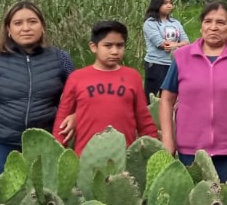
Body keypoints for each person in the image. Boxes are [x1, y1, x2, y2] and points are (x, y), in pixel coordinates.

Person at [0, 1, 75, 178]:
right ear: (8, 29)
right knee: (1, 202)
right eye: (18, 23)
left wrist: (75, 116)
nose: (26, 28)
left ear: (42, 26)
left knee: (41, 202)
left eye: (32, 21)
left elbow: (79, 95)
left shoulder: (60, 58)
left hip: (44, 142)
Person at [160, 2, 227, 181]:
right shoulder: (182, 57)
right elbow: (167, 100)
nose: (213, 27)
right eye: (208, 21)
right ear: (201, 26)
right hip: (191, 149)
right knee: (196, 204)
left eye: (220, 22)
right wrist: (168, 139)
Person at [53, 21, 158, 155]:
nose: (114, 51)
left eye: (119, 45)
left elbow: (144, 121)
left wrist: (155, 151)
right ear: (93, 47)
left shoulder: (133, 77)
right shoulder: (77, 78)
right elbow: (62, 121)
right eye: (108, 46)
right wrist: (57, 153)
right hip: (86, 159)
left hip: (124, 158)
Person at [142, 0, 190, 100]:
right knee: (153, 97)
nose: (169, 5)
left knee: (171, 95)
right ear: (157, 5)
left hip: (174, 63)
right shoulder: (150, 23)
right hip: (156, 64)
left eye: (170, 3)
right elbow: (161, 43)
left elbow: (186, 42)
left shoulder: (176, 23)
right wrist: (178, 45)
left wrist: (175, 44)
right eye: (165, 3)